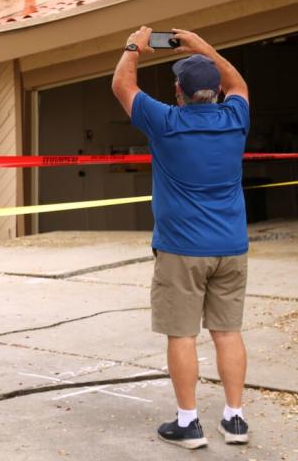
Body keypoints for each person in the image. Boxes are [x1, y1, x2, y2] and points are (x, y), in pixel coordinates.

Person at [110, 26, 251, 450]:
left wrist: (136, 44)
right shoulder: (235, 118)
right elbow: (238, 83)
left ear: (178, 91)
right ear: (214, 92)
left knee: (182, 335)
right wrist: (205, 48)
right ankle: (235, 419)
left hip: (181, 251)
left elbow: (122, 83)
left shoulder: (166, 122)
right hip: (231, 247)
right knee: (227, 332)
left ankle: (188, 424)